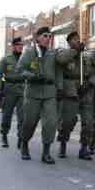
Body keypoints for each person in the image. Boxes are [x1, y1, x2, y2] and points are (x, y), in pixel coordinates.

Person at [16, 27, 61, 164]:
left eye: (50, 36)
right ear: (38, 38)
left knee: (51, 123)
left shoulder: (53, 54)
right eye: (45, 36)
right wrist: (33, 76)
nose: (48, 38)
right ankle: (24, 144)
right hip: (33, 93)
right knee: (30, 122)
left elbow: (59, 73)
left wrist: (60, 89)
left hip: (49, 93)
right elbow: (20, 69)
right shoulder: (30, 52)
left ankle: (46, 152)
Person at [55, 31, 94, 160]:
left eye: (78, 39)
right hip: (71, 92)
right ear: (69, 42)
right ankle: (63, 142)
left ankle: (84, 148)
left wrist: (90, 83)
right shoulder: (64, 53)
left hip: (85, 92)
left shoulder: (86, 57)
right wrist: (75, 51)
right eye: (74, 39)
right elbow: (61, 60)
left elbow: (94, 73)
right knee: (68, 121)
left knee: (88, 122)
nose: (77, 41)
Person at [0, 37, 25, 148]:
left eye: (22, 44)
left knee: (23, 116)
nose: (20, 46)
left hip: (22, 89)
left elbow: (32, 70)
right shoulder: (6, 59)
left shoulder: (25, 58)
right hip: (9, 90)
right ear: (13, 46)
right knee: (7, 115)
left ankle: (21, 138)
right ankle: (4, 135)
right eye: (18, 44)